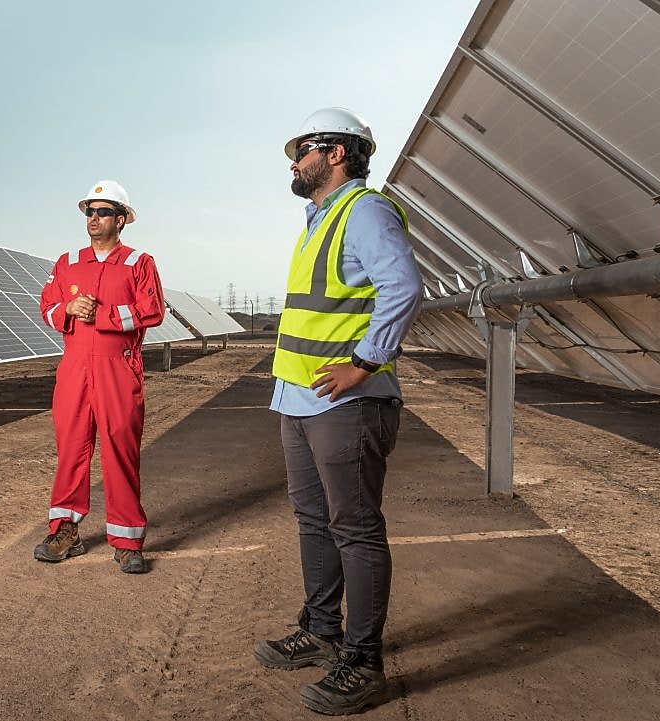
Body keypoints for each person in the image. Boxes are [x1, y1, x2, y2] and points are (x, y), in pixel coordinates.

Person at [252, 108, 423, 715]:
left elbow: (403, 288)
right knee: (314, 521)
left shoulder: (365, 211)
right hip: (300, 399)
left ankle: (363, 659)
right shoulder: (318, 220)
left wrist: (366, 362)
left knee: (354, 526)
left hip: (346, 403)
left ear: (338, 153)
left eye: (303, 151)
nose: (295, 163)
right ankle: (322, 632)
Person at [34, 180, 165, 574]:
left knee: (119, 454)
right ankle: (65, 531)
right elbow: (47, 309)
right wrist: (70, 307)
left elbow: (152, 310)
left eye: (103, 211)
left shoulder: (140, 263)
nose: (93, 218)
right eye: (89, 211)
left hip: (117, 368)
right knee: (70, 452)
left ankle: (126, 541)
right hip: (74, 368)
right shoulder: (66, 261)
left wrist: (102, 316)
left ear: (121, 219)